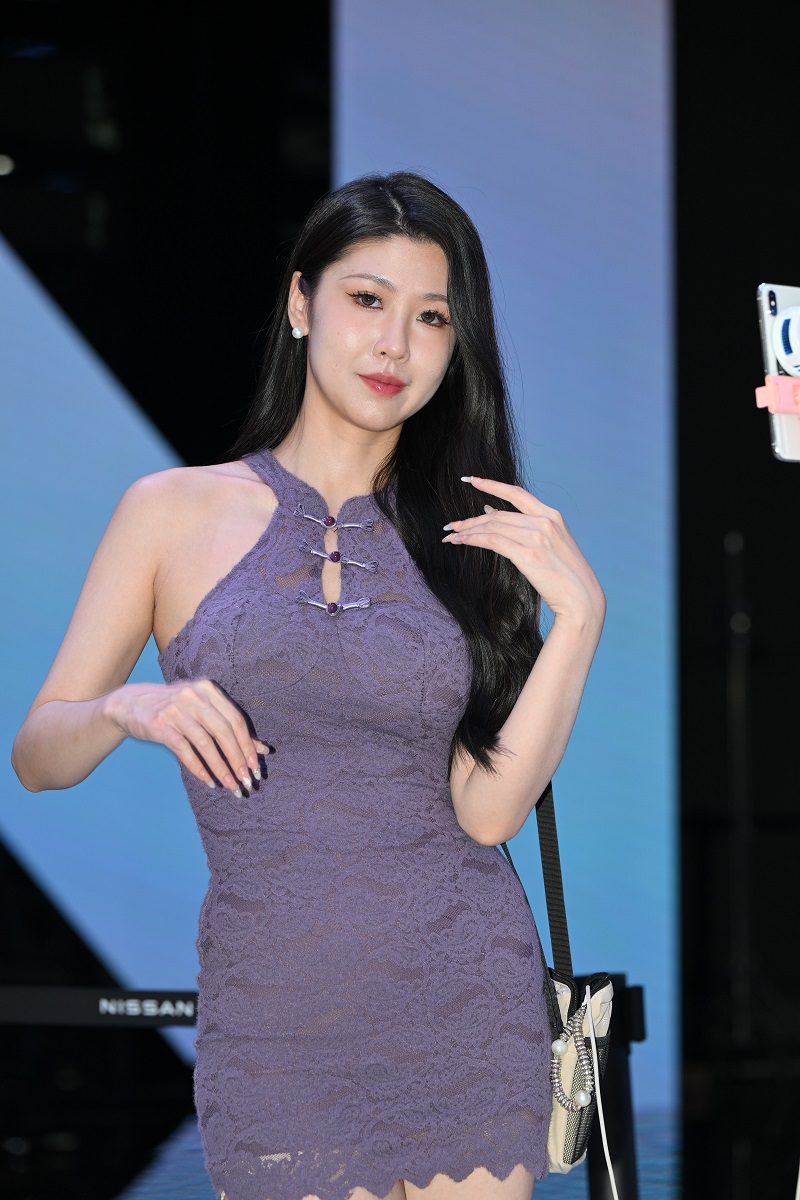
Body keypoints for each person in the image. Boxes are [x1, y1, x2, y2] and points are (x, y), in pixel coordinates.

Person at [11, 171, 606, 1200]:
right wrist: (128, 705)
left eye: (431, 318)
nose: (394, 344)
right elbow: (37, 757)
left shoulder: (474, 539)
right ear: (301, 302)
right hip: (276, 1026)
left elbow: (486, 814)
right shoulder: (169, 511)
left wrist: (580, 619)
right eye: (367, 300)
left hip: (466, 1006)